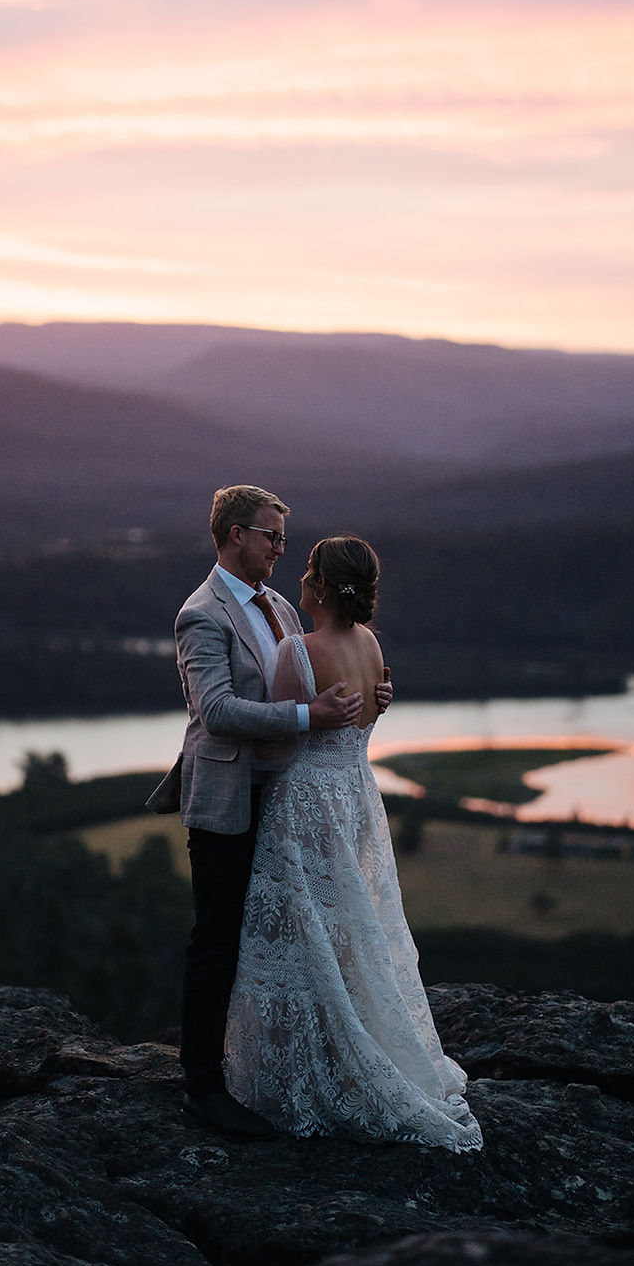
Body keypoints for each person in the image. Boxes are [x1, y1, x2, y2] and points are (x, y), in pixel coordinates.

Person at [146, 486, 393, 1140]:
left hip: (288, 801)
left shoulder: (281, 604)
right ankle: (202, 1088)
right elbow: (217, 712)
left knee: (280, 939)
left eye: (284, 538)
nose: (282, 549)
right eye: (270, 536)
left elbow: (314, 675)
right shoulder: (200, 614)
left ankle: (264, 1069)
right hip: (227, 799)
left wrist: (372, 694)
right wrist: (309, 716)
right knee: (218, 940)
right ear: (232, 534)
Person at [225, 535, 483, 1151]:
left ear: (320, 585)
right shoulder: (370, 644)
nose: (301, 578)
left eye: (308, 569)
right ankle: (351, 1055)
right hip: (358, 799)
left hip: (307, 805)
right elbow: (366, 711)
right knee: (345, 935)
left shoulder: (298, 651)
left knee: (303, 938)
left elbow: (276, 744)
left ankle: (310, 1072)